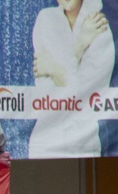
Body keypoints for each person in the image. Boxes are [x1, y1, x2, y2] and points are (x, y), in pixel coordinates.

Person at [29, 0, 113, 158]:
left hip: (83, 144)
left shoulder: (99, 27)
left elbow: (87, 93)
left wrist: (55, 69)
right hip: (44, 142)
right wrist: (80, 44)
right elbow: (45, 86)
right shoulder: (46, 19)